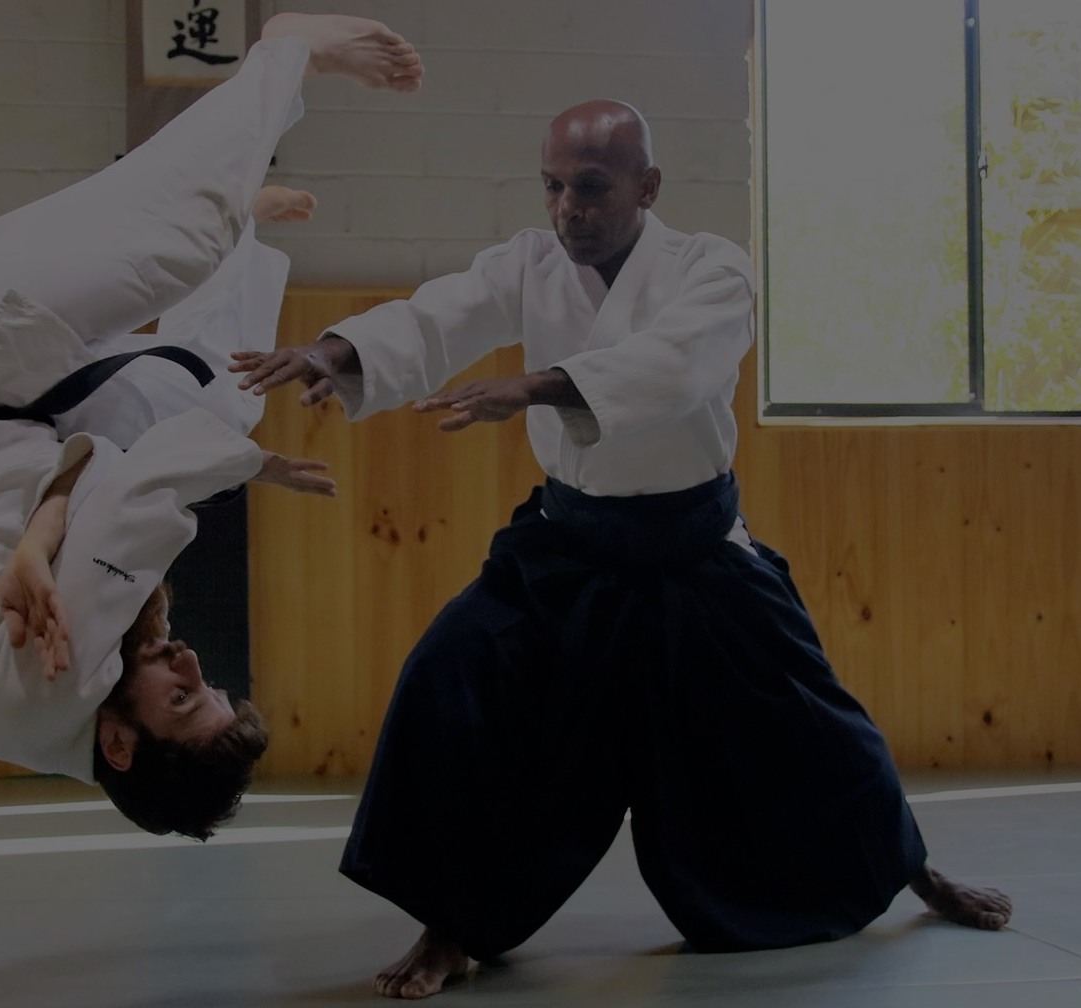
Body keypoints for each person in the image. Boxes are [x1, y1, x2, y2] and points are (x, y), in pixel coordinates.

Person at [232, 99, 1012, 998]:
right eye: (554, 187)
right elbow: (440, 314)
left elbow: (678, 367)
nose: (567, 207)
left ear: (646, 187)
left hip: (695, 547)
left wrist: (530, 387)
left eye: (591, 187)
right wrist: (337, 351)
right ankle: (451, 925)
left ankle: (912, 873)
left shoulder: (709, 269)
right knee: (452, 679)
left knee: (819, 729)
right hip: (571, 545)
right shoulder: (531, 261)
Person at [0, 14, 423, 840]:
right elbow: (97, 471)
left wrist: (247, 468)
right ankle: (235, 224)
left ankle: (287, 53)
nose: (188, 661)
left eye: (181, 697)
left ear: (119, 746)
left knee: (183, 243)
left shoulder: (59, 683)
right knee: (219, 396)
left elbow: (146, 483)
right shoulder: (55, 710)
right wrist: (35, 541)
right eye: (203, 683)